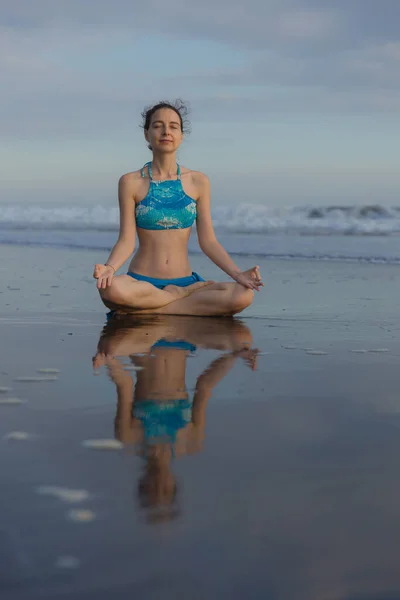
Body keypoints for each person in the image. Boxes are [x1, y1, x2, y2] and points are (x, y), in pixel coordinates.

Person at [93, 100, 263, 316]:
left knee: (244, 294)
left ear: (181, 135)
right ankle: (176, 299)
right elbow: (127, 240)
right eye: (157, 125)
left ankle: (149, 310)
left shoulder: (198, 181)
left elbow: (208, 241)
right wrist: (111, 268)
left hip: (185, 280)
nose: (166, 131)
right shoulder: (130, 182)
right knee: (110, 289)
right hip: (142, 282)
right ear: (147, 134)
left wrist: (238, 275)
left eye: (173, 126)